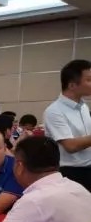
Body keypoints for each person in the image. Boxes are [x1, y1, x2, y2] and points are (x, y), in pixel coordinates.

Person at [44, 59, 91, 192]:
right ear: (72, 85)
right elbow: (71, 146)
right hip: (71, 172)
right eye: (89, 80)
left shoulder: (83, 107)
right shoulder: (54, 111)